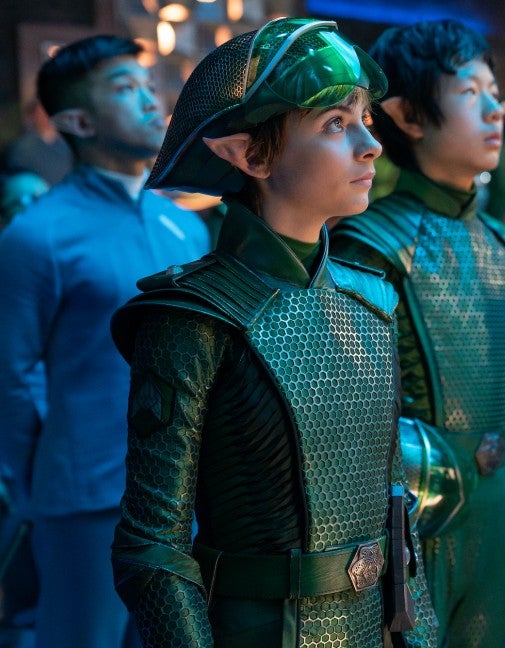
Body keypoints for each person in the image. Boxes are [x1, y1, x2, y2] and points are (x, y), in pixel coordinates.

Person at [108, 17, 436, 647]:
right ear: (248, 153)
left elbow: (395, 502)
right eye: (335, 123)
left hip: (370, 626)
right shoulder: (193, 315)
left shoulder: (373, 299)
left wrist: (417, 636)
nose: (370, 144)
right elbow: (151, 545)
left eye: (365, 119)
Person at [330, 19, 505, 648]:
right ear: (407, 115)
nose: (494, 111)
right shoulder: (369, 245)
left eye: (495, 93)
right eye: (469, 92)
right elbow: (350, 435)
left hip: (493, 521)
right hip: (409, 528)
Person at [0, 34, 210, 648]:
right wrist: (39, 477)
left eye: (147, 85)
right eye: (124, 88)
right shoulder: (36, 236)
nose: (150, 99)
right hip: (86, 496)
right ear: (77, 121)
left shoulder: (185, 225)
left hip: (188, 492)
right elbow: (11, 375)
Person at [3, 98, 74, 186]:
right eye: (42, 113)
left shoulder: (69, 148)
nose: (47, 117)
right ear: (32, 116)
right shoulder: (22, 148)